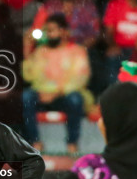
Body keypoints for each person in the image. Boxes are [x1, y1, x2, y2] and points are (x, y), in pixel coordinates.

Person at [22, 14, 90, 155]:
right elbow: (29, 76)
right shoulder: (41, 51)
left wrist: (57, 92)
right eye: (47, 31)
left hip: (64, 95)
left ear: (64, 31)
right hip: (42, 95)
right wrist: (27, 51)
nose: (49, 34)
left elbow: (80, 78)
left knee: (76, 99)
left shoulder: (77, 51)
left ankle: (72, 143)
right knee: (26, 96)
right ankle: (35, 142)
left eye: (52, 30)